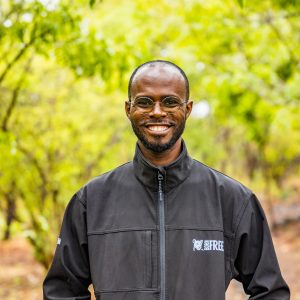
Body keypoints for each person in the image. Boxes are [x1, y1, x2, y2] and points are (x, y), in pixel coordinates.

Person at [43, 60, 290, 300]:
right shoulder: (91, 201)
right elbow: (63, 292)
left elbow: (270, 291)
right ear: (128, 109)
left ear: (188, 109)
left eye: (170, 102)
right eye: (145, 102)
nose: (157, 112)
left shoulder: (233, 200)